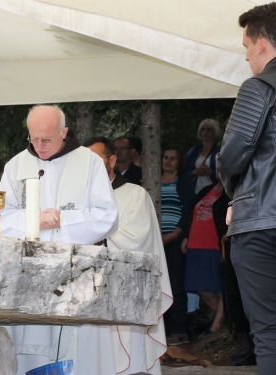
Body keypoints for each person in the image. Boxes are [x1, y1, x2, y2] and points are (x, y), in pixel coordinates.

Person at [0, 105, 118, 374]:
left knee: (76, 349)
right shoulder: (16, 165)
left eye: (47, 139)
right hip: (29, 274)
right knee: (29, 347)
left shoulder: (89, 162)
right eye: (33, 138)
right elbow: (2, 219)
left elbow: (108, 216)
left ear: (64, 132)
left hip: (77, 274)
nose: (39, 146)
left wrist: (64, 220)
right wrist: (34, 221)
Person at [216, 3, 276, 374]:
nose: (246, 55)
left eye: (246, 46)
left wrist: (236, 196)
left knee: (269, 334)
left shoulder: (261, 85)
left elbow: (232, 155)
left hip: (262, 225)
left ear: (262, 43)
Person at [82, 136, 172, 375]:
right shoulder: (78, 200)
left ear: (112, 160)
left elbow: (138, 239)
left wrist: (96, 234)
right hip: (87, 291)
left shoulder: (135, 194)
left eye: (96, 159)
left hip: (127, 290)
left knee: (131, 361)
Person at [181, 175, 229, 334]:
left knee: (220, 283)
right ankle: (224, 316)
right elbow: (190, 213)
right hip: (196, 242)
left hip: (216, 242)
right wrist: (186, 236)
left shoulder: (231, 192)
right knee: (198, 283)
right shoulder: (205, 190)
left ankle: (218, 323)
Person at [160, 147, 194, 346]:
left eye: (173, 158)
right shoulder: (153, 181)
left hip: (174, 238)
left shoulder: (184, 181)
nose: (168, 161)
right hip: (154, 239)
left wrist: (178, 232)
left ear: (178, 162)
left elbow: (189, 208)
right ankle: (161, 329)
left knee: (175, 284)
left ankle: (179, 330)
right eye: (166, 157)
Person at [185, 119, 221, 194]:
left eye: (209, 129)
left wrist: (211, 172)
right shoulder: (193, 151)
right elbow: (184, 173)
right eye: (203, 129)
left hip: (214, 192)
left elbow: (226, 174)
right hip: (195, 192)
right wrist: (194, 172)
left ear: (214, 132)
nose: (205, 132)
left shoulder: (220, 152)